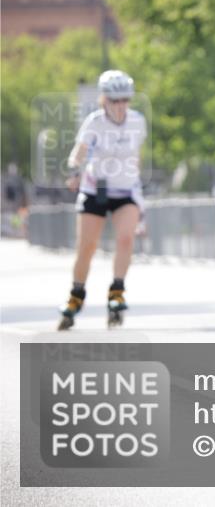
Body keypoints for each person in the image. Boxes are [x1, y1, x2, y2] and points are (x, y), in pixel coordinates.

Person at [58, 70, 147, 330]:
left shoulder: (138, 121)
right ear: (104, 99)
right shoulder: (95, 122)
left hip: (126, 191)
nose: (120, 105)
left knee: (126, 239)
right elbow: (79, 153)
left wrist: (136, 179)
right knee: (87, 247)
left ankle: (117, 291)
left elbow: (136, 155)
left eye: (125, 100)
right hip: (96, 189)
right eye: (114, 100)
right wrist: (74, 170)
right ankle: (76, 295)